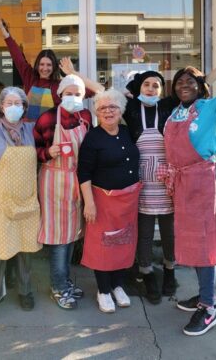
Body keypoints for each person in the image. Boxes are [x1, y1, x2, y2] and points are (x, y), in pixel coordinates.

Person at [162, 28, 216, 336]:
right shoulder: (175, 112)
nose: (184, 85)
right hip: (182, 183)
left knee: (203, 241)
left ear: (201, 87)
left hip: (202, 181)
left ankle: (209, 307)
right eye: (180, 82)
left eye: (191, 81)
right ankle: (203, 293)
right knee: (190, 242)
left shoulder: (212, 108)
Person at [0, 87, 42, 320]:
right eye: (9, 103)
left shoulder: (33, 131)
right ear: (2, 107)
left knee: (26, 245)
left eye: (19, 103)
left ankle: (25, 291)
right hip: (1, 200)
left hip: (27, 198)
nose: (14, 107)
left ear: (24, 108)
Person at [78, 89, 142, 313]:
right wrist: (89, 203)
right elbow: (83, 173)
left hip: (128, 200)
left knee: (123, 243)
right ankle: (103, 290)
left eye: (113, 107)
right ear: (96, 112)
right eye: (102, 107)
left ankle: (117, 285)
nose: (108, 111)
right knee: (103, 245)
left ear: (121, 110)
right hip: (102, 201)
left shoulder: (127, 132)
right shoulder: (92, 137)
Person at [34, 74, 92, 309]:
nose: (73, 97)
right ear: (59, 95)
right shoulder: (47, 118)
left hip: (77, 180)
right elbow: (34, 150)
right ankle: (58, 287)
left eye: (77, 94)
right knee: (59, 237)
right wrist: (48, 153)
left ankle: (65, 281)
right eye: (68, 93)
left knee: (71, 235)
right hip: (54, 179)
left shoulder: (85, 117)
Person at [124, 71, 177, 304]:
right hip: (142, 183)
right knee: (144, 235)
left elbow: (200, 83)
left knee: (169, 234)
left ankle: (169, 271)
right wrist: (75, 74)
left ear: (161, 90)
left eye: (156, 85)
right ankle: (147, 275)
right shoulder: (132, 110)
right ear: (139, 88)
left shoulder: (168, 108)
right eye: (146, 84)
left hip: (167, 183)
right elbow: (100, 91)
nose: (151, 89)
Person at [0, 11, 103, 120]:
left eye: (49, 65)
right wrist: (5, 33)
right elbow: (17, 56)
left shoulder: (62, 86)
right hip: (28, 132)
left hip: (50, 134)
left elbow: (98, 90)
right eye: (42, 64)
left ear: (54, 67)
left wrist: (73, 73)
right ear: (37, 65)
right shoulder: (30, 77)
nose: (45, 68)